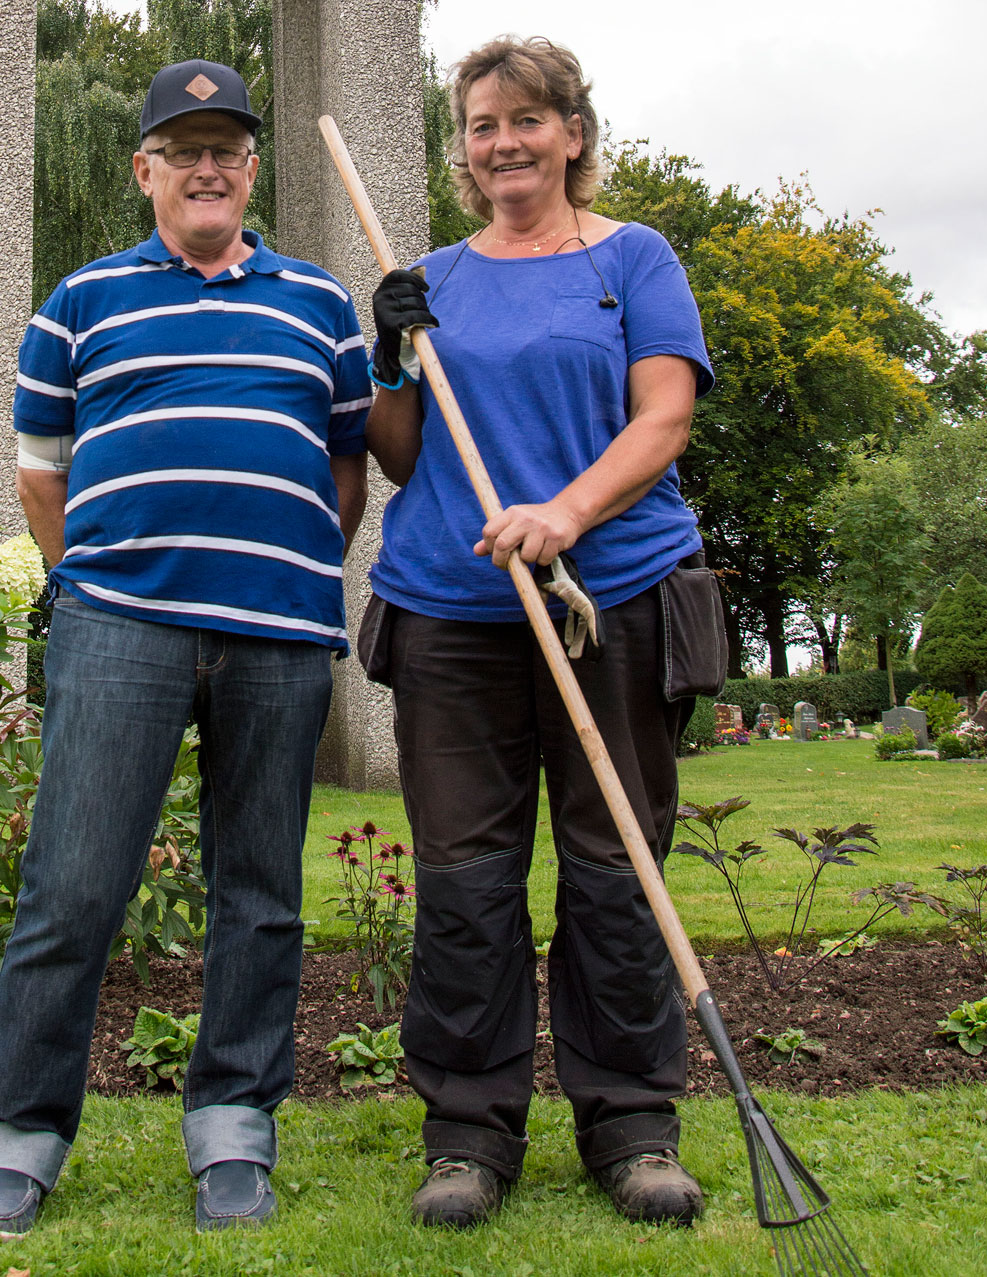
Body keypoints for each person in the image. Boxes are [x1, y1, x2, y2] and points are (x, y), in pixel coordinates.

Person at [0, 58, 371, 1241]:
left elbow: (347, 462)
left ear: (249, 169)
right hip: (117, 626)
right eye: (182, 148)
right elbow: (43, 473)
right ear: (145, 171)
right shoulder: (76, 303)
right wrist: (85, 581)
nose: (206, 165)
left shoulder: (322, 305)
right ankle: (17, 1140)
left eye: (226, 147)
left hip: (279, 636)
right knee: (73, 884)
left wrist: (285, 560)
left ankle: (235, 1131)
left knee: (261, 892)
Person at [358, 36, 721, 1230]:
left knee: (615, 866)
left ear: (571, 131)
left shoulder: (632, 260)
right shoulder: (436, 277)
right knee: (466, 877)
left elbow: (663, 416)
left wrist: (564, 514)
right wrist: (388, 355)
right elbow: (405, 454)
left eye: (525, 120)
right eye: (479, 125)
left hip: (608, 594)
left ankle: (632, 1125)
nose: (502, 142)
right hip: (452, 610)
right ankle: (468, 1134)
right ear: (462, 149)